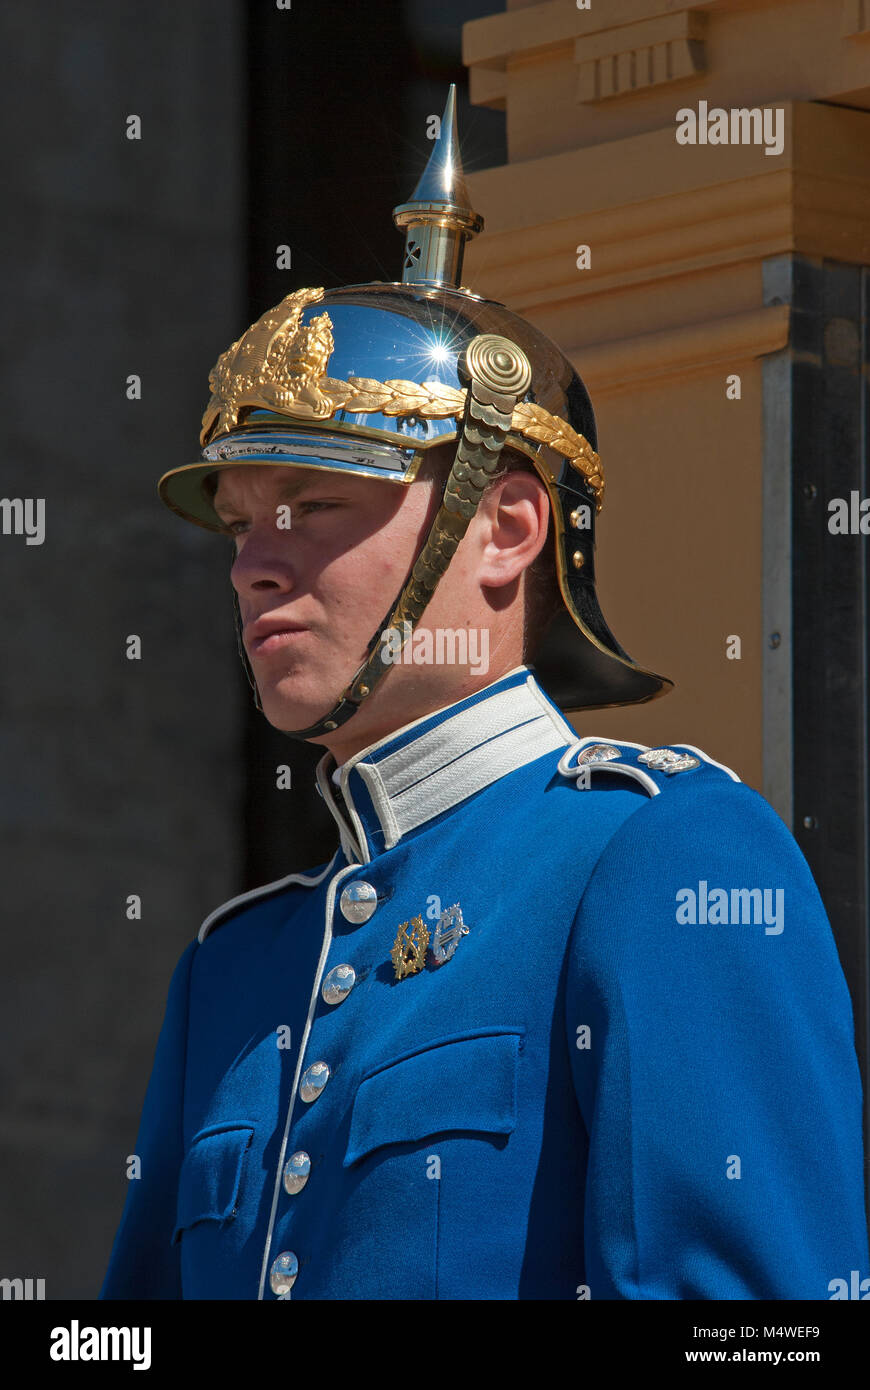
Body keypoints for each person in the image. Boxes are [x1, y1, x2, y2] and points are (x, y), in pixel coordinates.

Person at [101, 88, 869, 1301]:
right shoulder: (234, 967)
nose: (254, 558)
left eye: (314, 504)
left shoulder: (663, 855)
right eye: (242, 521)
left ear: (506, 524)